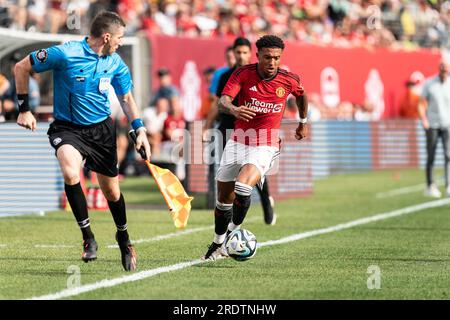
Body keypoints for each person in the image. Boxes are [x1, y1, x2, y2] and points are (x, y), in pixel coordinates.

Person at [14, 11, 151, 271]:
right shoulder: (65, 53)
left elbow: (126, 100)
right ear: (107, 36)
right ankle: (88, 237)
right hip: (67, 128)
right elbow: (21, 66)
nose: (121, 42)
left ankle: (123, 237)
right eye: (120, 38)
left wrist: (140, 129)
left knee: (111, 191)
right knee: (69, 169)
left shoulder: (115, 62)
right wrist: (24, 109)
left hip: (101, 130)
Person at [202, 35, 308, 260]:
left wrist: (303, 122)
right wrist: (234, 110)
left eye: (277, 58)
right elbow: (222, 101)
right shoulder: (242, 74)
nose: (272, 62)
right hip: (238, 141)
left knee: (243, 186)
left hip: (265, 145)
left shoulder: (288, 79)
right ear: (257, 55)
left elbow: (301, 94)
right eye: (268, 57)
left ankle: (231, 236)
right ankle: (217, 243)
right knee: (223, 200)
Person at [207, 37, 277, 225]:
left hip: (251, 130)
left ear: (251, 54)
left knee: (253, 171)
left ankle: (266, 202)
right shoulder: (224, 76)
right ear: (233, 54)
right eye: (238, 52)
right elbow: (217, 103)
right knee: (228, 173)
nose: (241, 56)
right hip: (227, 128)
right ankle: (227, 215)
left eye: (245, 52)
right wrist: (206, 127)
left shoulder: (259, 74)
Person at [418, 61, 450, 198]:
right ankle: (430, 185)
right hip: (432, 125)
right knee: (431, 156)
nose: (443, 69)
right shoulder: (430, 84)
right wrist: (424, 120)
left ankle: (449, 185)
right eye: (442, 67)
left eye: (446, 67)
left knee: (448, 155)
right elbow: (421, 103)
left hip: (447, 124)